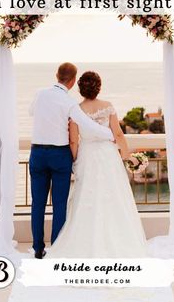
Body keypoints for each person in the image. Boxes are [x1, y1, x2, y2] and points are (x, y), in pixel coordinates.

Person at [46, 71, 147, 258]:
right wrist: (127, 156)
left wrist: (75, 161)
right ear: (98, 87)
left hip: (87, 156)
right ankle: (118, 242)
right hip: (108, 156)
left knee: (86, 196)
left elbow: (73, 141)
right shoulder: (108, 107)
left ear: (80, 88)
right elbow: (118, 134)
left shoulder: (76, 109)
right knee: (113, 197)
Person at [29, 63, 115, 259]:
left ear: (56, 75)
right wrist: (110, 134)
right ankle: (57, 247)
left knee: (38, 203)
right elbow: (87, 125)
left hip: (37, 154)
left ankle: (37, 248)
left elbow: (31, 112)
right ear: (73, 80)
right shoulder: (69, 103)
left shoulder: (40, 93)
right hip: (59, 155)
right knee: (59, 204)